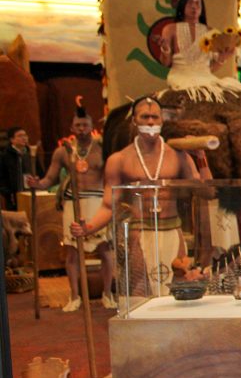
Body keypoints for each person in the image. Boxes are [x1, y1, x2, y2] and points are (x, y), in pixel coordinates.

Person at [71, 96, 212, 294]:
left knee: (177, 293)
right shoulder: (119, 160)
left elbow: (207, 192)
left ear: (162, 120)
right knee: (140, 294)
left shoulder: (178, 156)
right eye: (145, 117)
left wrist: (201, 158)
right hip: (139, 233)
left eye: (155, 117)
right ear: (134, 120)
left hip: (172, 231)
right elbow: (109, 205)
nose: (151, 122)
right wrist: (89, 227)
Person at [26, 101, 115, 311]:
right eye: (78, 126)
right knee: (73, 252)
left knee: (105, 250)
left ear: (91, 126)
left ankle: (107, 294)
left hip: (98, 203)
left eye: (86, 125)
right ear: (71, 128)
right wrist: (37, 184)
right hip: (72, 203)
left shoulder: (103, 148)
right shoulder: (63, 151)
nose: (82, 129)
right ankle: (74, 297)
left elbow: (113, 176)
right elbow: (49, 179)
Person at [158, 0, 241, 102]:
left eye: (198, 3)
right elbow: (166, 63)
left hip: (206, 77)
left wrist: (223, 57)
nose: (194, 7)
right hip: (179, 76)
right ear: (182, 6)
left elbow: (211, 69)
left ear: (202, 8)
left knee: (233, 90)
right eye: (190, 3)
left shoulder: (212, 32)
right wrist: (165, 49)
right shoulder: (170, 29)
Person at [1, 126, 42, 210]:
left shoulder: (31, 153)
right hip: (13, 197)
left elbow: (40, 172)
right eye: (20, 136)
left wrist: (38, 180)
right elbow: (2, 177)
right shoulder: (5, 156)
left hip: (31, 193)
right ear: (12, 140)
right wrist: (8, 193)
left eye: (25, 135)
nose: (24, 138)